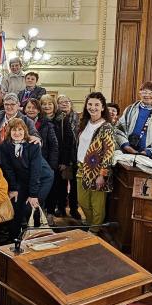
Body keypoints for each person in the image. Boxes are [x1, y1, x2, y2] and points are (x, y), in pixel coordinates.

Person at [0, 118, 53, 239]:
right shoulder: (5, 146)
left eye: (20, 129)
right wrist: (13, 189)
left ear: (25, 131)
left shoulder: (33, 145)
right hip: (23, 179)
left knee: (31, 207)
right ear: (9, 131)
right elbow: (8, 169)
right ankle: (15, 240)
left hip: (42, 178)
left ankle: (37, 237)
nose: (17, 133)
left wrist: (33, 194)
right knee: (15, 205)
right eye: (14, 130)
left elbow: (36, 171)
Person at [76, 92, 116, 232]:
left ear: (103, 107)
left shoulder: (106, 127)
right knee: (82, 201)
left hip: (97, 170)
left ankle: (94, 229)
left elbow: (109, 153)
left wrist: (102, 175)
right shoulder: (84, 122)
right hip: (81, 168)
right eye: (90, 104)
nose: (93, 108)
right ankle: (91, 222)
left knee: (97, 204)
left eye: (97, 105)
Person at [115, 81, 152, 162]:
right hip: (127, 153)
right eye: (144, 92)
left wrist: (148, 152)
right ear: (140, 94)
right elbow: (119, 129)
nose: (147, 95)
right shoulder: (130, 109)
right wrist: (125, 145)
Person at [39, 94, 76, 220]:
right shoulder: (39, 119)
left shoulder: (61, 119)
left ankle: (56, 210)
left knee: (58, 187)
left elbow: (68, 141)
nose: (47, 106)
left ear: (54, 105)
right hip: (43, 158)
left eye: (50, 103)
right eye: (44, 104)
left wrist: (65, 161)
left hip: (59, 159)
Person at [0, 93, 40, 164]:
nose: (9, 107)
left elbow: (35, 137)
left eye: (12, 104)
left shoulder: (26, 121)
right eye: (6, 104)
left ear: (18, 104)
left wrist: (36, 138)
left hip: (16, 164)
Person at [57, 94, 80, 219]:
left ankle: (74, 209)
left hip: (76, 156)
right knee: (62, 185)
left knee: (75, 186)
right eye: (61, 102)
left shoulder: (78, 117)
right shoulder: (58, 119)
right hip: (62, 157)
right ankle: (61, 208)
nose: (64, 104)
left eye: (67, 101)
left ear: (71, 103)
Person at [23, 98, 59, 171]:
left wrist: (51, 166)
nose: (31, 110)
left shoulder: (47, 124)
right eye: (29, 107)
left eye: (34, 108)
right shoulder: (19, 122)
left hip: (42, 162)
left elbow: (53, 146)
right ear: (25, 110)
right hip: (23, 163)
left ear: (39, 110)